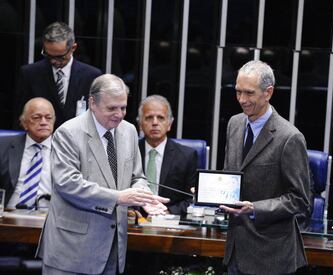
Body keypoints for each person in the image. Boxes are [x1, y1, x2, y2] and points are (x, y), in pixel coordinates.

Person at [36, 74, 169, 275]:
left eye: (123, 107)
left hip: (113, 249)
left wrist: (143, 197)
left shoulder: (129, 131)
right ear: (92, 103)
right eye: (111, 108)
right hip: (71, 251)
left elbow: (137, 177)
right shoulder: (68, 133)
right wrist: (118, 197)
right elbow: (68, 184)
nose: (119, 114)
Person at [219, 60, 311, 275]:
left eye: (249, 93)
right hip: (235, 251)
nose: (242, 100)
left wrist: (255, 209)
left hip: (271, 256)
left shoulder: (290, 137)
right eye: (238, 92)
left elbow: (299, 199)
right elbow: (231, 174)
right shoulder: (234, 123)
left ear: (268, 92)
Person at [15, 21, 102, 129]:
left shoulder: (91, 76)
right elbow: (20, 117)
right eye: (48, 55)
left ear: (73, 48)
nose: (53, 61)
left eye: (60, 57)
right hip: (42, 141)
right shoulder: (30, 73)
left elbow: (97, 117)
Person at [137, 95, 197, 215]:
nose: (155, 123)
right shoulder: (131, 151)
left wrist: (168, 212)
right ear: (140, 124)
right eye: (149, 118)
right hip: (135, 220)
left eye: (160, 118)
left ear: (169, 123)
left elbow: (192, 198)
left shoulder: (186, 156)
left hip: (169, 221)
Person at [0, 97, 55, 209]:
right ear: (24, 123)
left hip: (50, 218)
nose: (44, 122)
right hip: (9, 215)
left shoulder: (66, 149)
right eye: (37, 117)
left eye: (48, 118)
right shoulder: (3, 145)